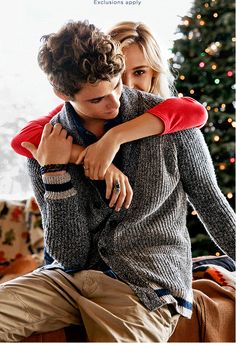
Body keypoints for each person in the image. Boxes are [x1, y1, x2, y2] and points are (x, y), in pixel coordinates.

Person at [1, 20, 235, 342]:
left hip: (145, 284)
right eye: (97, 100)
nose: (113, 103)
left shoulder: (170, 123)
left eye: (116, 86)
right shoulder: (48, 146)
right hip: (65, 280)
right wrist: (55, 172)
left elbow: (211, 203)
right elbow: (69, 256)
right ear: (61, 93)